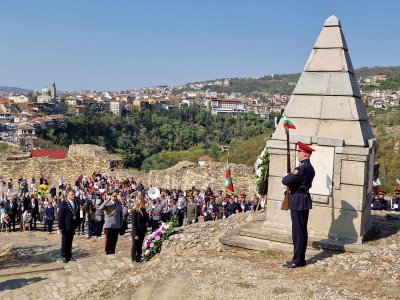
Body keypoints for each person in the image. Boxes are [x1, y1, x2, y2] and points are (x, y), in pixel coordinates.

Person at [282, 141, 315, 269]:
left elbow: (285, 180)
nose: (298, 154)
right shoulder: (307, 167)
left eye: (300, 152)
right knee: (300, 230)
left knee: (298, 232)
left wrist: (288, 176)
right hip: (302, 199)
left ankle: (298, 260)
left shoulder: (302, 168)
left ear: (305, 154)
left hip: (298, 200)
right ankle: (299, 258)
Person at [58, 188, 80, 263]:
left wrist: (77, 223)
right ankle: (64, 255)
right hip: (65, 226)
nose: (74, 196)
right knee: (65, 241)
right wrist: (60, 227)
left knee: (70, 241)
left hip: (72, 225)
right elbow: (60, 215)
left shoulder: (76, 202)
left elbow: (77, 214)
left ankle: (69, 255)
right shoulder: (63, 203)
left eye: (74, 194)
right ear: (67, 195)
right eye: (72, 194)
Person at [131, 198, 149, 263]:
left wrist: (146, 230)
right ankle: (134, 259)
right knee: (135, 245)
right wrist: (135, 234)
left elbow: (145, 222)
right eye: (142, 204)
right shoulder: (134, 212)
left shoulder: (143, 211)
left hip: (142, 231)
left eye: (144, 204)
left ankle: (139, 258)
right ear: (139, 204)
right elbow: (134, 224)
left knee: (140, 245)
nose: (144, 205)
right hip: (136, 232)